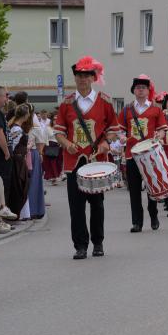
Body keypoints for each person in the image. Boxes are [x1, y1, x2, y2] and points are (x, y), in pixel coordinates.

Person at [53, 57, 121, 258]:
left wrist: (105, 143)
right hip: (73, 162)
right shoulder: (66, 104)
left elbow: (114, 129)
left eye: (86, 75)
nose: (82, 79)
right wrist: (67, 144)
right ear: (75, 78)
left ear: (93, 77)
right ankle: (80, 246)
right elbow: (58, 132)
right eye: (79, 75)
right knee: (76, 207)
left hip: (96, 160)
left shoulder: (105, 102)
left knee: (97, 204)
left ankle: (98, 242)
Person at [116, 73, 166, 233]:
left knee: (153, 187)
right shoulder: (126, 110)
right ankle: (137, 222)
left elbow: (162, 130)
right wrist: (122, 137)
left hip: (150, 155)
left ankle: (154, 215)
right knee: (134, 190)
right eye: (138, 88)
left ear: (148, 90)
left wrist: (160, 136)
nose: (141, 90)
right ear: (133, 90)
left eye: (143, 88)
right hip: (132, 155)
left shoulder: (156, 110)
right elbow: (120, 130)